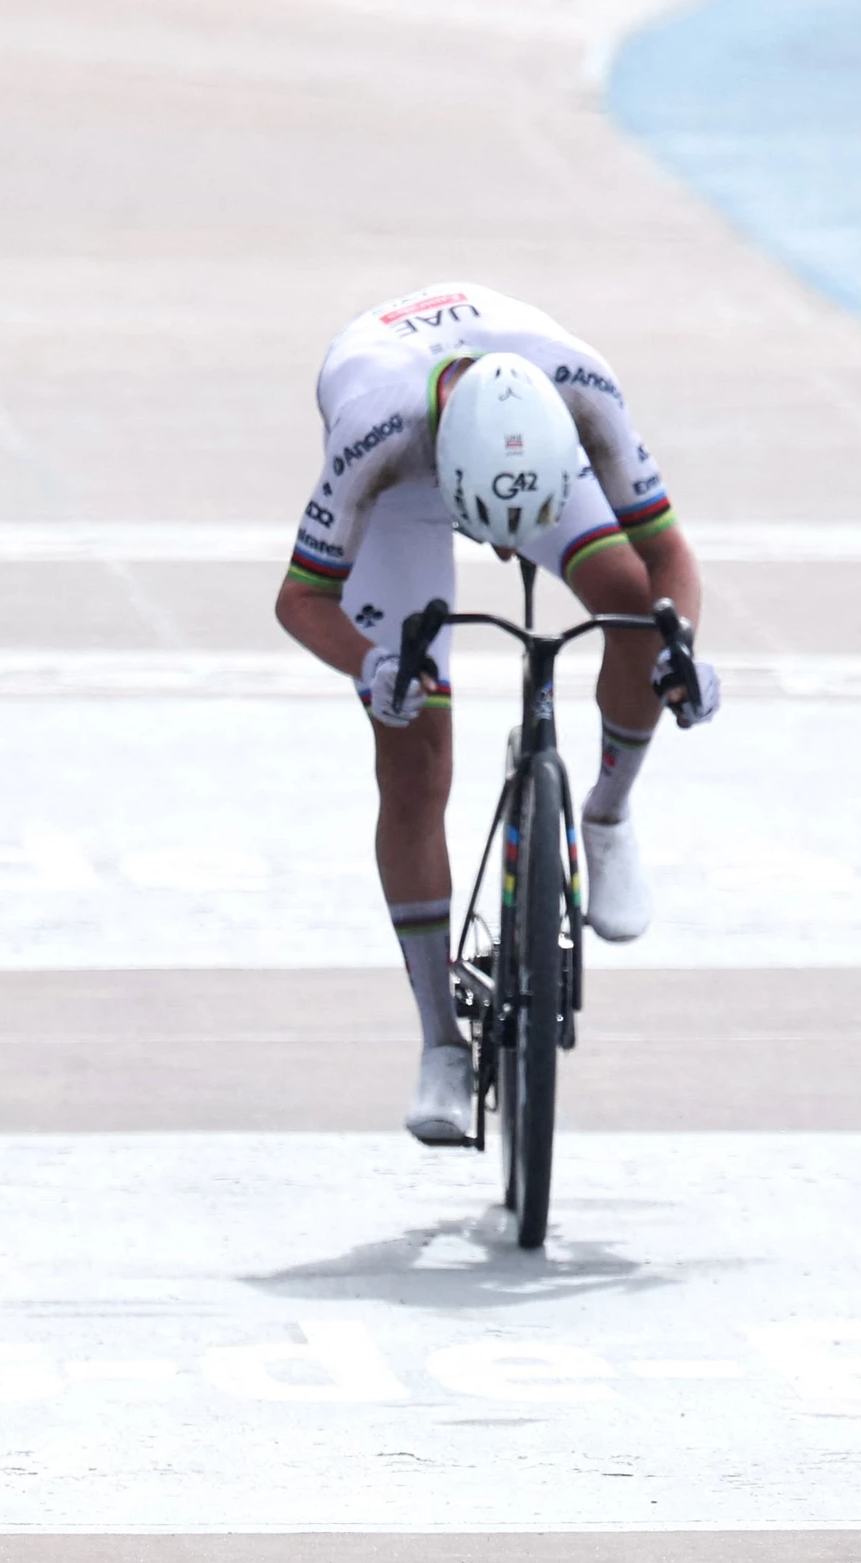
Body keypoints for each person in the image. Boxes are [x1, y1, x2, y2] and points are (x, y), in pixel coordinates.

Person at [277, 282, 719, 1146]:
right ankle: (440, 1041)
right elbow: (301, 600)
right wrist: (372, 668)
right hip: (404, 492)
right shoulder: (375, 430)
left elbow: (668, 551)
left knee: (635, 608)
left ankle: (608, 813)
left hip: (522, 454)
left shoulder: (583, 391)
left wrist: (682, 650)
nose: (492, 549)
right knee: (412, 759)